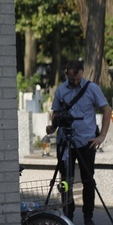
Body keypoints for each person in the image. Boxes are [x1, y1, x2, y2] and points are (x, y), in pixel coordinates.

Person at [45, 60, 111, 225]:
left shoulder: (92, 88)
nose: (75, 82)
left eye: (78, 79)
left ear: (82, 72)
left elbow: (107, 109)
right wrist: (53, 126)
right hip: (64, 142)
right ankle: (68, 216)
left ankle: (88, 217)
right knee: (66, 181)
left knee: (88, 180)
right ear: (67, 73)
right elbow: (56, 113)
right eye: (72, 79)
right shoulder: (61, 90)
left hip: (86, 141)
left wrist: (102, 135)